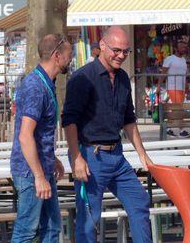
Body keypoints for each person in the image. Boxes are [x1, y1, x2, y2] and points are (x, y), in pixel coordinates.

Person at [62, 26, 153, 243]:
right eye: (116, 50)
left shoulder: (122, 78)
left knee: (139, 201)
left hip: (116, 155)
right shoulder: (82, 77)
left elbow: (129, 119)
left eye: (126, 51)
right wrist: (76, 158)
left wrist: (143, 155)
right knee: (88, 219)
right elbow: (69, 120)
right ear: (102, 46)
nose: (121, 55)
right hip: (90, 155)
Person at [10, 34, 73, 243]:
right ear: (57, 56)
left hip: (42, 168)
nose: (70, 59)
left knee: (52, 228)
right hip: (30, 172)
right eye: (69, 55)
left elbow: (40, 133)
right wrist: (38, 176)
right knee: (26, 231)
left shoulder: (46, 83)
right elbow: (25, 135)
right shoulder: (35, 86)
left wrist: (51, 158)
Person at [159, 41, 189, 137]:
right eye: (181, 47)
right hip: (172, 87)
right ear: (176, 48)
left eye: (185, 47)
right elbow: (163, 73)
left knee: (176, 108)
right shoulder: (169, 59)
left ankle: (169, 129)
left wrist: (187, 86)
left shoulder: (184, 60)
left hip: (181, 88)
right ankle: (181, 130)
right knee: (178, 109)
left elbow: (184, 74)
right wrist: (158, 86)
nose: (184, 48)